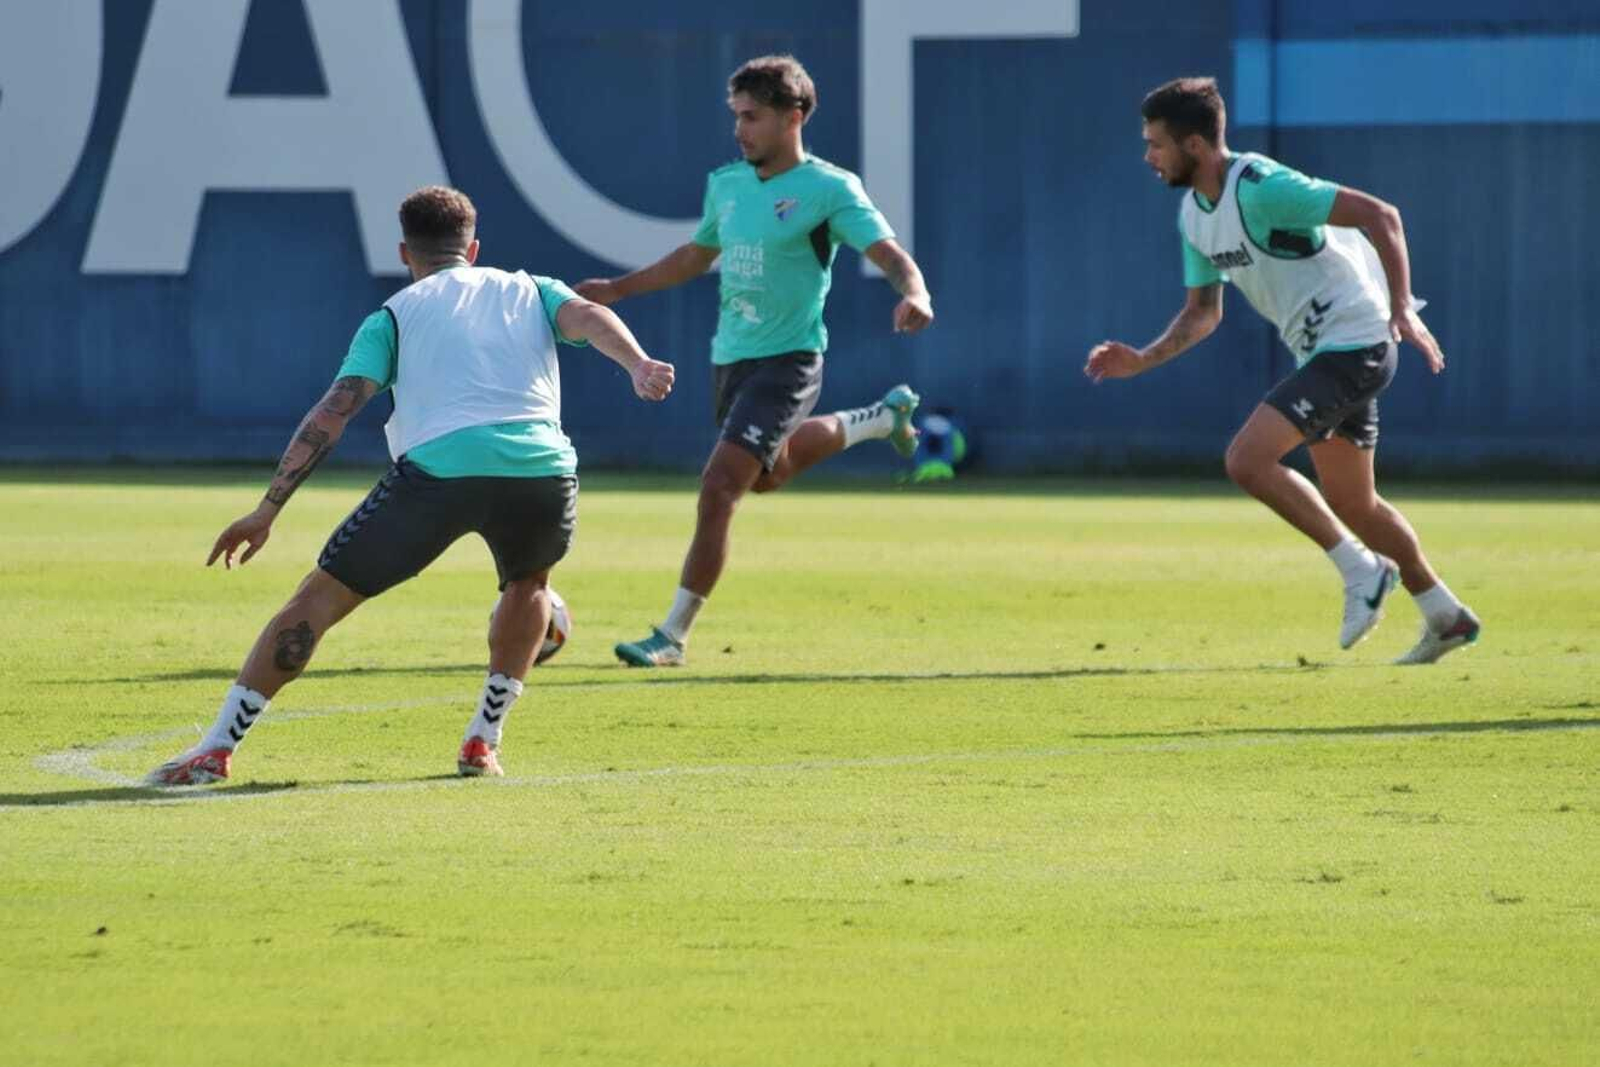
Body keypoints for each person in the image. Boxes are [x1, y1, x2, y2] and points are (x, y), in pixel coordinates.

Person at [146, 186, 675, 786]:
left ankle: (217, 748)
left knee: (318, 600)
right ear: (473, 249)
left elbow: (333, 413)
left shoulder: (394, 315)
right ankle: (483, 740)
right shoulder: (532, 288)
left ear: (405, 252)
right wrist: (638, 364)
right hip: (541, 468)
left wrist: (267, 510)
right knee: (530, 585)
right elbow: (590, 315)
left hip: (440, 474)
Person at [1084, 77, 1480, 664]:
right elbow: (1203, 313)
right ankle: (1445, 615)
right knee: (1355, 503)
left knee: (1246, 459)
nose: (1148, 156)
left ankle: (1362, 571)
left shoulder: (1262, 187)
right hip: (1324, 353)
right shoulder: (1193, 216)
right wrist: (1143, 359)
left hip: (1358, 341)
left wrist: (1402, 306)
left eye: (1156, 144)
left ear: (1194, 145)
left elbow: (1382, 216)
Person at [576, 54, 935, 668]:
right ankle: (880, 418)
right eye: (736, 115)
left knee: (719, 487)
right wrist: (618, 289)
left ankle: (672, 636)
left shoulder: (830, 189)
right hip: (732, 359)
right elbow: (695, 256)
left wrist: (916, 292)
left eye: (752, 116)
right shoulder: (727, 183)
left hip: (790, 359)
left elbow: (887, 252)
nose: (739, 129)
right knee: (766, 474)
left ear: (793, 117)